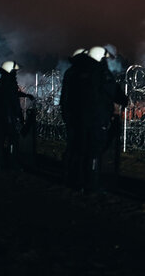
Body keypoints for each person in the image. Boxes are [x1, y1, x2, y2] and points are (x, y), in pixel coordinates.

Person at [75, 46, 127, 194]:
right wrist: (123, 99)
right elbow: (114, 92)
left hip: (81, 118)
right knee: (95, 152)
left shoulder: (79, 73)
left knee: (82, 150)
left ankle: (79, 182)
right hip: (97, 118)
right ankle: (92, 184)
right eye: (104, 58)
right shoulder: (101, 73)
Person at [0, 60, 34, 170]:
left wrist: (25, 95)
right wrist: (18, 116)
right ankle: (12, 164)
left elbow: (9, 95)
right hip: (9, 117)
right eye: (14, 71)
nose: (16, 73)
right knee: (13, 141)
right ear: (10, 70)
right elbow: (13, 101)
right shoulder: (9, 83)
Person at [60, 48, 91, 189]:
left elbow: (64, 98)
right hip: (79, 116)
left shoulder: (70, 73)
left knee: (73, 147)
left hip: (72, 115)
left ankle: (69, 176)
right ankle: (77, 178)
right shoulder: (82, 74)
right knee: (80, 148)